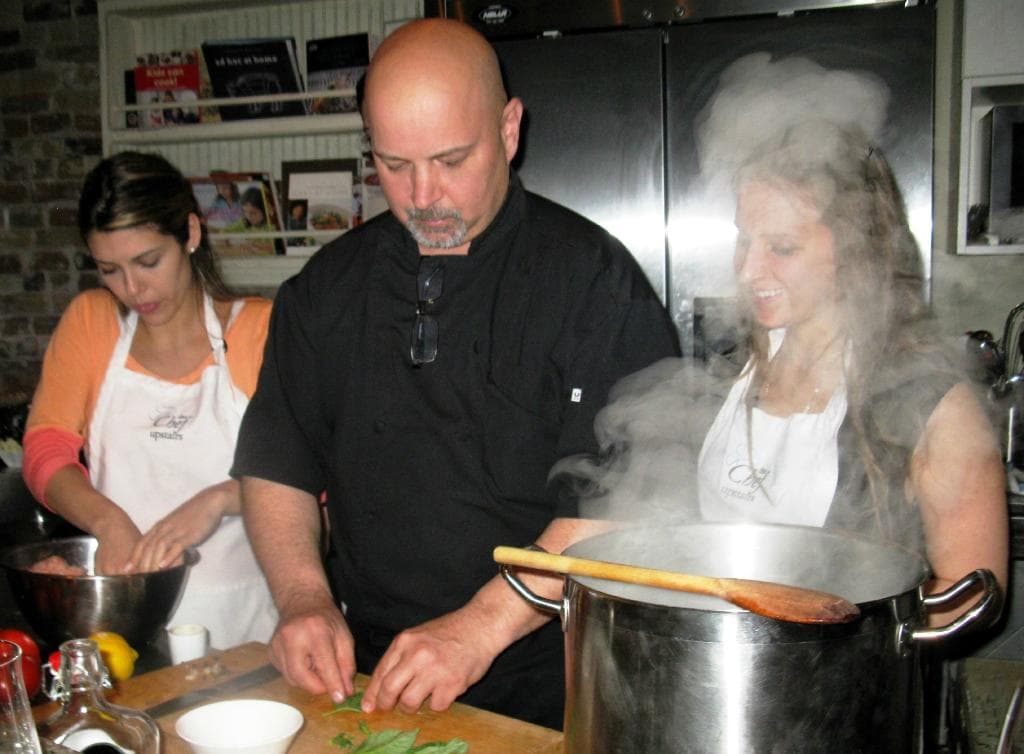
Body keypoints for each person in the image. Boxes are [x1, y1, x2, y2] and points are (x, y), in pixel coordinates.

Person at [231, 18, 680, 729]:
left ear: (509, 129)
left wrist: (479, 627)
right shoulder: (325, 290)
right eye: (393, 164)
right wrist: (303, 599)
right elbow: (276, 464)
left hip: (554, 690)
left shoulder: (592, 280)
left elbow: (627, 501)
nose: (422, 195)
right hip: (367, 678)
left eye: (450, 160)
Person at [695, 120, 1008, 606]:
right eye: (743, 240)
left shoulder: (930, 405)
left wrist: (865, 636)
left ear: (855, 249)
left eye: (782, 247)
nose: (749, 270)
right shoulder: (731, 371)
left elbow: (971, 595)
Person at [22, 151, 278, 649]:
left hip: (247, 631)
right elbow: (44, 451)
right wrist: (106, 520)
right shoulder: (93, 322)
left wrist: (221, 499)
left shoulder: (258, 331)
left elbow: (313, 478)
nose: (134, 289)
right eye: (110, 270)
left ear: (191, 233)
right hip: (124, 625)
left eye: (148, 261)